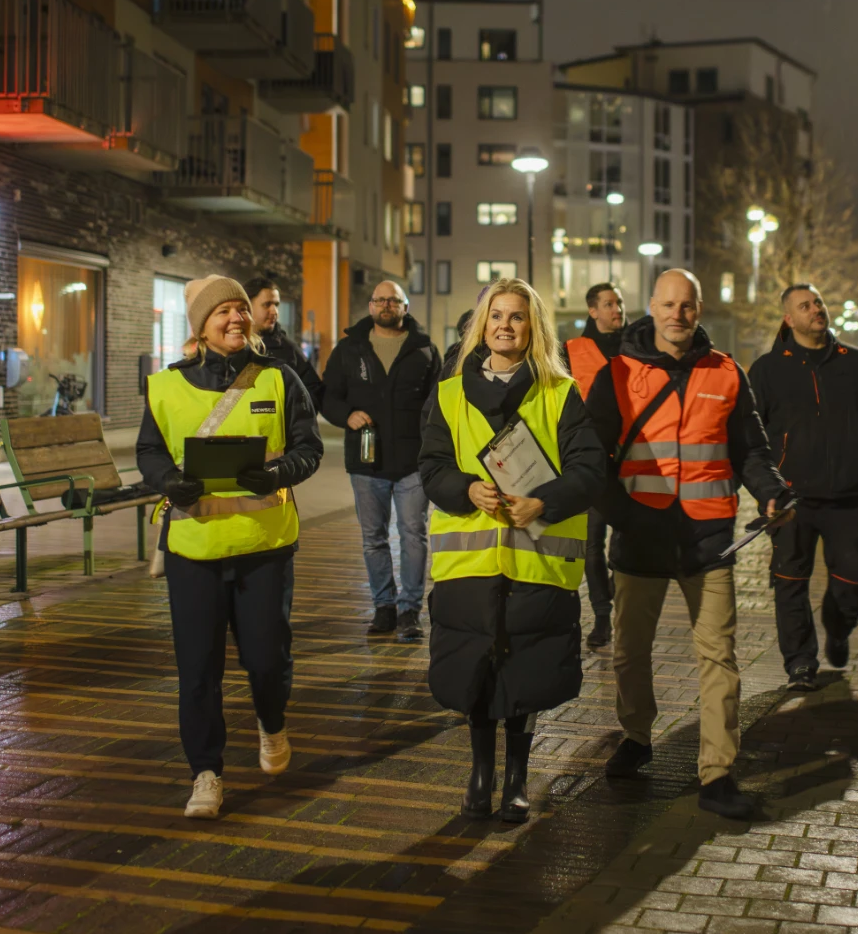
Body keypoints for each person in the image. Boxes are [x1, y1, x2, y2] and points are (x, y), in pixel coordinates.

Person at [589, 269, 788, 819]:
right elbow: (594, 461)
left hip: (708, 541)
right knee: (630, 652)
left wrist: (771, 493)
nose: (678, 314)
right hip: (640, 539)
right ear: (651, 307)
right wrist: (624, 516)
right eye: (669, 304)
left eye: (688, 305)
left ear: (699, 310)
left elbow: (751, 450)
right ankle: (636, 735)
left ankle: (717, 772)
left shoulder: (727, 374)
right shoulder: (617, 374)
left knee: (718, 657)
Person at [137, 276, 324, 820]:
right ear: (200, 325)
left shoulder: (279, 379)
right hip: (193, 548)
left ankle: (271, 720)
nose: (236, 319)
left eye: (241, 309)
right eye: (223, 312)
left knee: (266, 661)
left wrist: (279, 473)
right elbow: (150, 451)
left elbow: (309, 448)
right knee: (198, 670)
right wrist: (168, 482)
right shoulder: (166, 387)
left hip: (264, 544)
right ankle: (206, 772)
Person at [420, 278, 606, 823]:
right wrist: (466, 490)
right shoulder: (447, 393)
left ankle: (518, 778)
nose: (505, 325)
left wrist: (541, 503)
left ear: (533, 327)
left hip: (536, 560)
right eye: (496, 315)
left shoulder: (560, 392)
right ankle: (480, 774)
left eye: (517, 317)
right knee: (477, 671)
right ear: (482, 325)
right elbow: (431, 467)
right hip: (470, 563)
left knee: (523, 675)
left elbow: (590, 471)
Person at [750, 283, 858, 690]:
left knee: (857, 571)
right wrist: (767, 489)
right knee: (789, 582)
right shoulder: (767, 370)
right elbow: (750, 432)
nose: (816, 309)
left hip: (848, 498)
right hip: (791, 499)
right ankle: (800, 663)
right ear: (789, 318)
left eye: (818, 302)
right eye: (805, 305)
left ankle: (837, 626)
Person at [320, 281, 440, 641]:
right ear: (371, 306)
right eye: (380, 300)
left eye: (394, 300)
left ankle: (409, 611)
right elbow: (328, 397)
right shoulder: (348, 349)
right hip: (366, 461)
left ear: (406, 306)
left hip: (413, 463)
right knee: (373, 538)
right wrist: (347, 415)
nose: (387, 305)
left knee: (413, 536)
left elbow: (437, 405)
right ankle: (384, 607)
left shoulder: (424, 350)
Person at [562, 282, 625, 650]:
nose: (617, 309)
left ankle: (619, 596)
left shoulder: (637, 349)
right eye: (609, 303)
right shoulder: (571, 351)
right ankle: (602, 615)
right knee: (590, 546)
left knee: (624, 540)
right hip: (589, 461)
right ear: (593, 311)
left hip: (630, 461)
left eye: (619, 302)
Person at [245, 276, 324, 411]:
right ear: (248, 306)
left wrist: (293, 418)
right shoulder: (232, 345)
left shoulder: (288, 349)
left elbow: (313, 390)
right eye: (267, 304)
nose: (274, 311)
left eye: (276, 305)